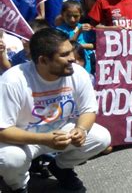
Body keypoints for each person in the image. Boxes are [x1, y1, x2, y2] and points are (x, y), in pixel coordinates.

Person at [0, 28, 111, 192]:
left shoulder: (77, 73)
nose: (72, 58)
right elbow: (2, 130)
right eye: (64, 55)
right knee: (11, 159)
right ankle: (18, 186)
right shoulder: (12, 81)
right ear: (43, 60)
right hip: (23, 138)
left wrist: (80, 130)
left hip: (59, 133)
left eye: (71, 52)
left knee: (100, 137)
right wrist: (44, 139)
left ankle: (61, 168)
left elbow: (88, 110)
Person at [56, 0, 95, 74]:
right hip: (70, 64)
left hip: (87, 64)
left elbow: (95, 45)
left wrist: (82, 46)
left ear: (81, 14)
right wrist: (79, 32)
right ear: (62, 14)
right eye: (68, 16)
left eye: (76, 16)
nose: (72, 19)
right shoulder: (59, 30)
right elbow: (68, 45)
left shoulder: (86, 28)